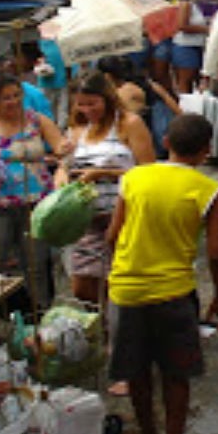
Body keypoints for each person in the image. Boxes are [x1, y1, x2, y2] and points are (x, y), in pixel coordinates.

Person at [106, 114, 218, 434]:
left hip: (127, 290)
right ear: (207, 151)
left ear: (165, 142)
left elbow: (112, 235)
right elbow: (216, 253)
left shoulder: (134, 177)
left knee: (137, 370)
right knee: (177, 374)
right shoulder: (211, 191)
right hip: (174, 293)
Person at [0, 72, 69, 305]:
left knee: (36, 265)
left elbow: (59, 145)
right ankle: (2, 317)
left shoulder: (36, 121)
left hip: (34, 203)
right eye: (6, 98)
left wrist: (64, 150)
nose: (13, 102)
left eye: (16, 95)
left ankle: (39, 314)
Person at [56, 70, 155, 303]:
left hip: (123, 213)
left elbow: (149, 171)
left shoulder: (129, 124)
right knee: (82, 284)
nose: (87, 110)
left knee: (121, 279)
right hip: (87, 217)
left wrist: (104, 174)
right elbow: (64, 166)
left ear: (107, 98)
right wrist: (61, 176)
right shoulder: (77, 130)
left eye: (93, 103)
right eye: (81, 105)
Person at [172, 0, 211, 94]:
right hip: (185, 47)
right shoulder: (186, 2)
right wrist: (205, 29)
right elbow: (182, 25)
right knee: (185, 81)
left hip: (195, 45)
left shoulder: (195, 3)